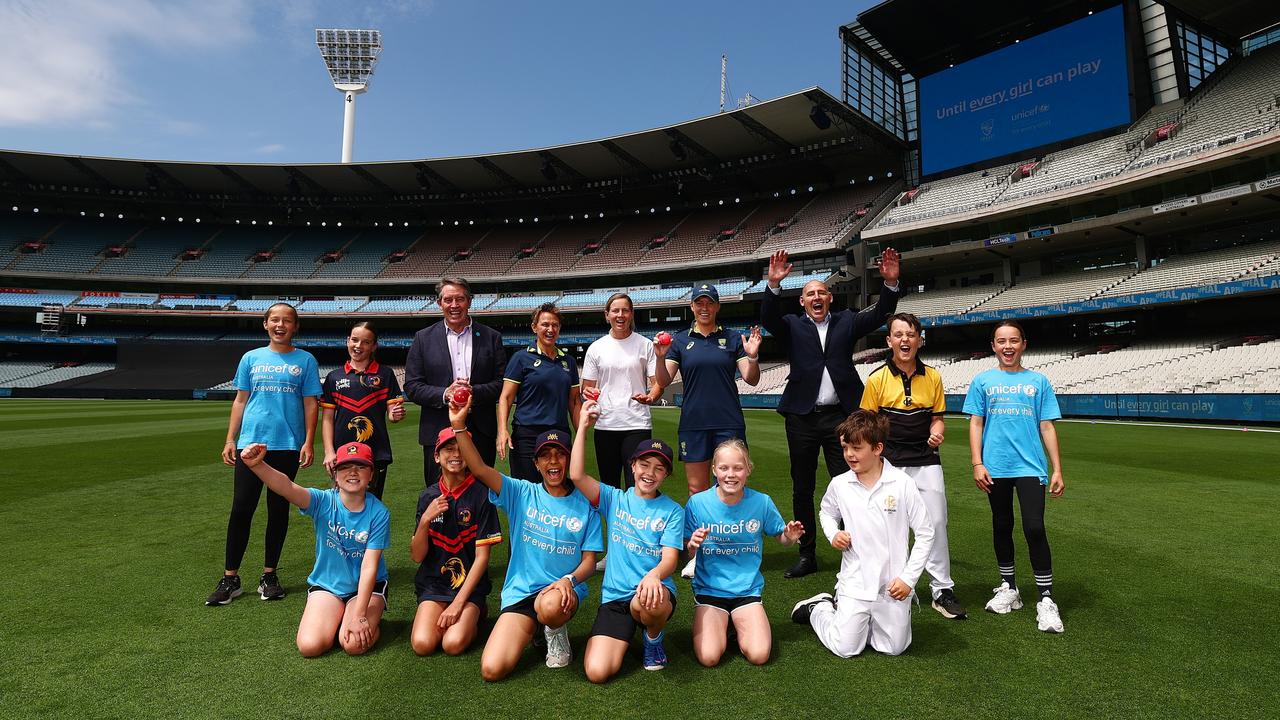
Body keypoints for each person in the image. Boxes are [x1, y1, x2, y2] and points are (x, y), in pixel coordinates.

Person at [760, 248, 900, 579]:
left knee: (849, 482)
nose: (816, 296)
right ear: (802, 301)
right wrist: (774, 284)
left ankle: (856, 548)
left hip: (842, 417)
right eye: (810, 293)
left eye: (822, 291)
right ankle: (807, 553)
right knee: (802, 486)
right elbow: (767, 319)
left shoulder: (847, 321)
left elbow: (880, 313)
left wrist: (890, 283)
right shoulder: (791, 325)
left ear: (830, 297)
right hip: (802, 417)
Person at [447, 393, 603, 680]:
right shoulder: (521, 493)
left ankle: (554, 629)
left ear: (570, 459)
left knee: (550, 607)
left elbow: (590, 562)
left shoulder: (586, 504)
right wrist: (458, 426)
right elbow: (480, 469)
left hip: (561, 592)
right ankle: (537, 627)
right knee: (492, 669)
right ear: (536, 463)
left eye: (560, 454)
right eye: (546, 455)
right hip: (521, 592)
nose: (553, 461)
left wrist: (568, 580)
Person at [791, 410, 935, 657]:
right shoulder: (839, 484)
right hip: (855, 582)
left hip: (893, 585)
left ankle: (862, 622)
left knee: (894, 648)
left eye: (857, 448)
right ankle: (819, 608)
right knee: (846, 648)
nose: (849, 454)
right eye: (846, 447)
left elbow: (925, 533)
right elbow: (826, 513)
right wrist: (833, 534)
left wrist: (908, 580)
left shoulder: (902, 483)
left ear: (878, 448)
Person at [207, 302, 321, 606]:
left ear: (295, 327)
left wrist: (309, 442)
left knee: (277, 510)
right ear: (265, 324)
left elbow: (311, 404)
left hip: (286, 444)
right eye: (274, 320)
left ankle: (269, 575)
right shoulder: (250, 358)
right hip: (250, 444)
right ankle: (230, 578)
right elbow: (241, 400)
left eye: (287, 321)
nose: (280, 325)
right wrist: (231, 439)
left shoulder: (305, 361)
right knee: (241, 508)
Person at [859, 312, 966, 619]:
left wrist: (937, 433)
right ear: (889, 340)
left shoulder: (933, 376)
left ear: (919, 340)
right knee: (886, 526)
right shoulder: (876, 378)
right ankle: (884, 586)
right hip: (888, 464)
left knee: (935, 523)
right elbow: (866, 423)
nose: (905, 340)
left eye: (910, 334)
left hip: (925, 460)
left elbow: (937, 418)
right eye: (898, 334)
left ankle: (941, 589)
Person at [239, 441, 390, 657]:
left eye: (361, 466)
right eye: (346, 467)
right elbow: (286, 486)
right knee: (310, 646)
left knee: (353, 645)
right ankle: (339, 618)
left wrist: (359, 616)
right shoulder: (323, 501)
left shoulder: (379, 512)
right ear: (335, 474)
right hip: (328, 585)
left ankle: (365, 620)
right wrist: (257, 466)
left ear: (371, 475)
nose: (353, 472)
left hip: (366, 588)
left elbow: (369, 567)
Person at [963, 319, 1066, 634]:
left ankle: (1046, 599)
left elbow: (1047, 425)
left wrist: (1057, 468)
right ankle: (1009, 587)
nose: (1008, 346)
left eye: (1014, 340)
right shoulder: (982, 381)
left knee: (1034, 527)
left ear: (1023, 344)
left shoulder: (1039, 381)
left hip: (1031, 467)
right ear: (993, 346)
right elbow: (976, 423)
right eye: (1001, 341)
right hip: (996, 466)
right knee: (1002, 524)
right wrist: (977, 463)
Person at [570, 399, 683, 681]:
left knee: (651, 603)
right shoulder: (614, 499)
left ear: (666, 475)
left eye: (659, 469)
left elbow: (670, 559)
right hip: (617, 597)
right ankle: (629, 629)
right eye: (645, 464)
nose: (650, 473)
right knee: (597, 672)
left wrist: (654, 576)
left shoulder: (672, 511)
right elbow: (576, 475)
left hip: (653, 593)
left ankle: (653, 639)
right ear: (632, 466)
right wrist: (583, 427)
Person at [655, 282, 763, 578]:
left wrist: (752, 356)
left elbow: (750, 379)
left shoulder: (731, 339)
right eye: (699, 303)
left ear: (717, 306)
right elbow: (663, 381)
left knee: (731, 488)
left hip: (728, 421)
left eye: (709, 303)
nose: (704, 307)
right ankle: (697, 553)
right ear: (692, 306)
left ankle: (733, 547)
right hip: (693, 423)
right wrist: (660, 356)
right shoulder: (678, 340)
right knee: (696, 490)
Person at [683, 439, 804, 667]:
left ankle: (735, 624)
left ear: (748, 469)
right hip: (710, 590)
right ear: (714, 470)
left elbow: (782, 538)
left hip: (747, 590)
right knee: (709, 657)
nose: (731, 474)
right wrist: (693, 546)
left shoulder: (761, 502)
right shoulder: (698, 503)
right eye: (724, 468)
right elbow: (687, 552)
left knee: (759, 655)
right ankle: (722, 626)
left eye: (738, 468)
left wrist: (789, 536)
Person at [410, 427, 503, 657]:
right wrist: (425, 521)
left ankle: (477, 611)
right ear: (436, 456)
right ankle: (449, 613)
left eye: (462, 449)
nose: (456, 455)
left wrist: (458, 604)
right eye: (448, 449)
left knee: (453, 644)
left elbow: (483, 559)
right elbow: (417, 556)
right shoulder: (428, 497)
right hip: (434, 584)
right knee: (422, 644)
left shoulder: (482, 495)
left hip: (469, 589)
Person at [404, 277, 506, 487]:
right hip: (438, 431)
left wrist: (473, 393)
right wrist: (445, 394)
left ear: (469, 301)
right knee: (440, 497)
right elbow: (412, 386)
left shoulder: (491, 337)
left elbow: (500, 383)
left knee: (482, 496)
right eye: (448, 299)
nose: (454, 305)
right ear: (439, 303)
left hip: (480, 432)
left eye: (460, 299)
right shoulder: (423, 338)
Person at [581, 292, 661, 490]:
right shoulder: (596, 348)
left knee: (637, 487)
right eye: (615, 310)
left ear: (632, 314)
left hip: (637, 424)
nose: (620, 315)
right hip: (605, 425)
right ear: (607, 314)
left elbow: (657, 382)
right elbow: (586, 388)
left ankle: (634, 521)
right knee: (609, 488)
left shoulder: (645, 344)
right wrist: (588, 394)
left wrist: (651, 396)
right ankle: (613, 522)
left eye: (625, 310)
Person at [498, 303, 582, 483]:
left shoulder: (569, 362)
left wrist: (580, 432)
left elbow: (574, 401)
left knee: (556, 490)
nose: (550, 329)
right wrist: (502, 429)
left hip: (559, 434)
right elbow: (506, 397)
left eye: (555, 325)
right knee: (527, 492)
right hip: (527, 435)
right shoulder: (521, 358)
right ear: (534, 327)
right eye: (545, 324)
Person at [321, 322, 405, 500]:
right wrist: (329, 451)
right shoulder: (333, 377)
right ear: (347, 341)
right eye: (354, 340)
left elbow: (392, 413)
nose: (358, 346)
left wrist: (394, 415)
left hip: (376, 451)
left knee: (372, 504)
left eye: (366, 342)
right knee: (342, 506)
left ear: (374, 346)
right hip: (341, 453)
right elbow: (327, 419)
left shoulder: (385, 374)